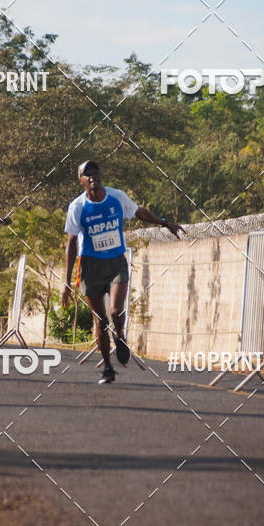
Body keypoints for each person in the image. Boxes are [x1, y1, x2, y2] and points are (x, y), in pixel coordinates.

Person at [62, 160, 183, 384]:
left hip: (116, 262)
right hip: (90, 265)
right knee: (100, 320)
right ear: (81, 181)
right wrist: (67, 283)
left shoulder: (117, 197)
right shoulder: (77, 207)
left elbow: (139, 213)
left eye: (95, 173)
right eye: (86, 174)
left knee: (116, 310)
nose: (92, 176)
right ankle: (108, 368)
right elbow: (70, 243)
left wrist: (165, 223)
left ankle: (120, 336)